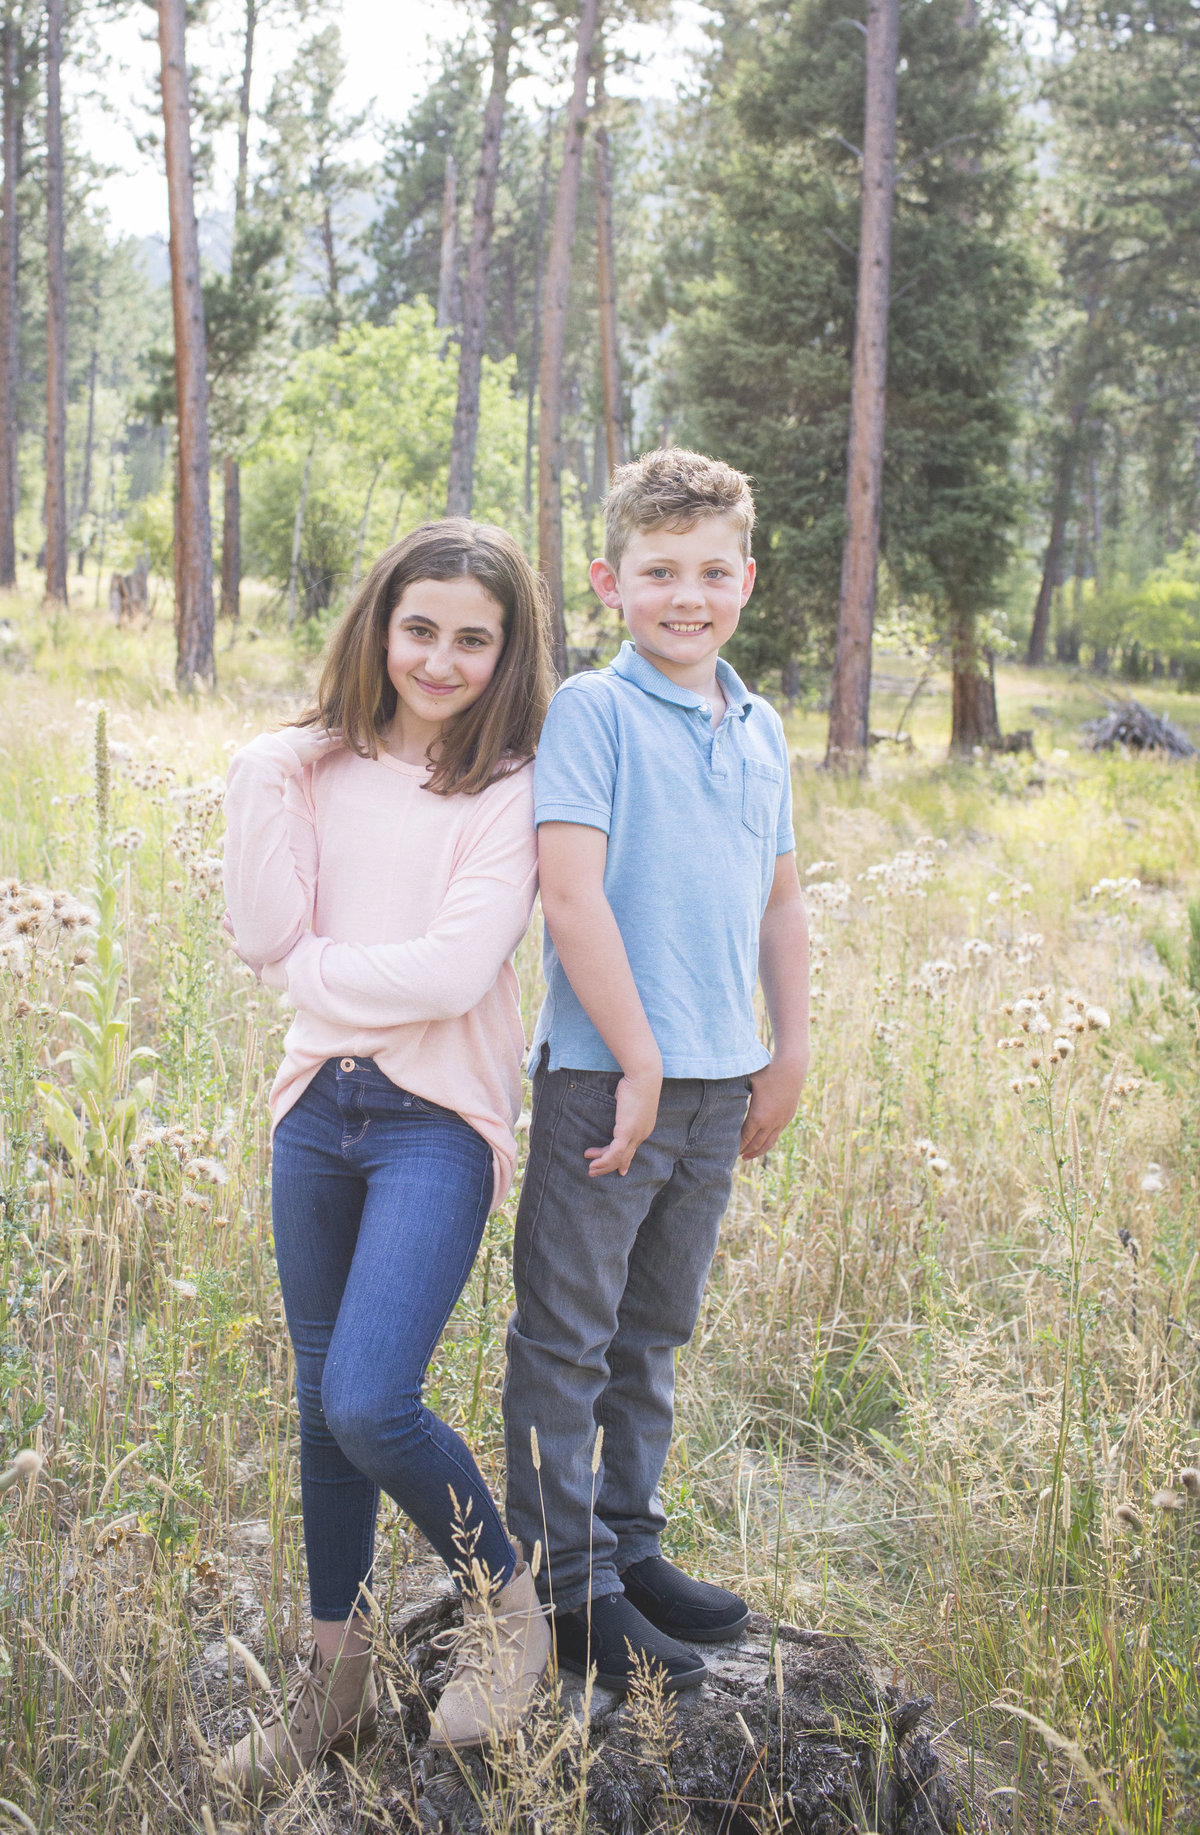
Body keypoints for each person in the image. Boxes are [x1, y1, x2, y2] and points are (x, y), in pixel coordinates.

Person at [219, 521, 555, 1793]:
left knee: (368, 1395)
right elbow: (260, 926)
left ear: (508, 650)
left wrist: (311, 972)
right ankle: (333, 1678)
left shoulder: (511, 784)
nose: (443, 657)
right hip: (315, 1113)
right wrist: (269, 759)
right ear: (380, 624)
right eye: (421, 627)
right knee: (318, 1406)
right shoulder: (309, 771)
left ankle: (505, 1600)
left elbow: (453, 973)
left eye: (475, 637)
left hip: (435, 1123)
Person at [503, 449, 810, 1695]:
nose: (687, 594)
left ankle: (630, 1546)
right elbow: (571, 896)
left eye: (711, 571)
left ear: (748, 577)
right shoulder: (594, 710)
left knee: (654, 1331)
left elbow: (780, 901)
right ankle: (565, 1583)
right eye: (658, 570)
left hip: (718, 1081)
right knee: (568, 1338)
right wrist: (638, 1056)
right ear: (609, 578)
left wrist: (787, 1046)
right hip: (606, 1079)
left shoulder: (762, 723)